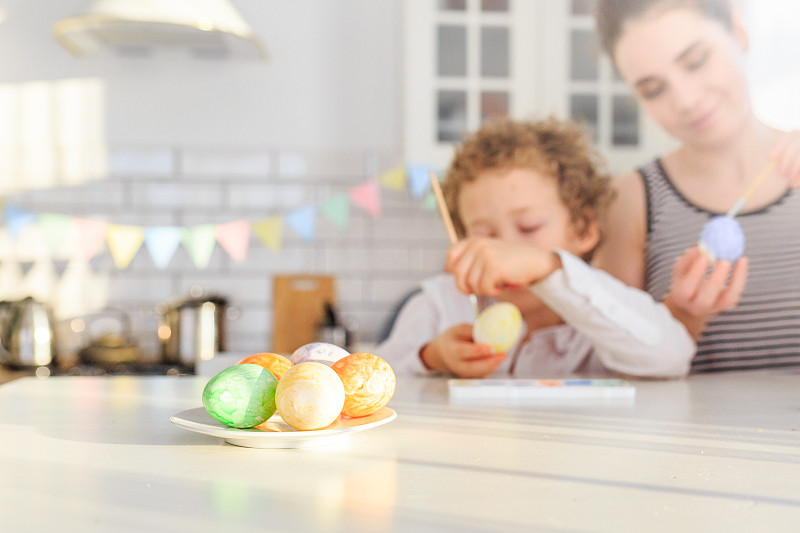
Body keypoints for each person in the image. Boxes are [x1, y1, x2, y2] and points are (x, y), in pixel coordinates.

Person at [376, 118, 694, 379]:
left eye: (529, 227)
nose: (505, 249)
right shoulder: (438, 307)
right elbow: (373, 380)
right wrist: (431, 357)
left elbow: (672, 357)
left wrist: (548, 267)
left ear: (582, 230)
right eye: (485, 234)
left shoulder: (601, 314)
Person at [593, 0, 800, 372]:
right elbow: (611, 370)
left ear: (738, 33)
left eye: (696, 62)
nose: (686, 100)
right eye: (653, 89)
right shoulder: (631, 199)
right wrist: (680, 318)